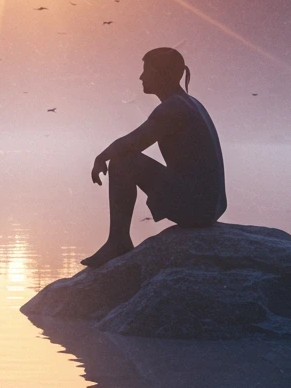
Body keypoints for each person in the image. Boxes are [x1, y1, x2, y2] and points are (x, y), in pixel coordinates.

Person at [81, 46, 227, 268]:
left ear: (161, 73)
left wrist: (101, 157)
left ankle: (118, 241)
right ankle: (118, 240)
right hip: (211, 207)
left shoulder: (173, 108)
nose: (141, 77)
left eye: (146, 70)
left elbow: (133, 142)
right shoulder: (189, 103)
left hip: (197, 209)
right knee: (123, 158)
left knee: (122, 161)